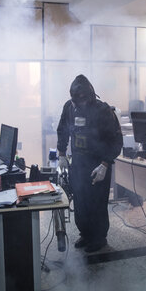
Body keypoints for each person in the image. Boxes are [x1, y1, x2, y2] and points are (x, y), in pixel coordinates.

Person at [57, 75, 123, 253]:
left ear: (91, 96)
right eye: (77, 101)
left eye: (84, 101)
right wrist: (61, 153)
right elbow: (62, 130)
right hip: (78, 162)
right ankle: (85, 234)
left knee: (96, 202)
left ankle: (99, 238)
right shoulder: (69, 108)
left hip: (98, 163)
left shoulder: (103, 111)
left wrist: (105, 164)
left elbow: (116, 141)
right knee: (80, 200)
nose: (81, 105)